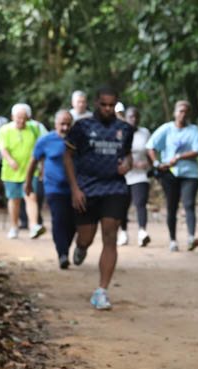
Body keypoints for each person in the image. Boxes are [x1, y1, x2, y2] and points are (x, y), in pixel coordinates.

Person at [63, 86, 133, 310]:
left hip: (114, 188)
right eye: (104, 104)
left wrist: (127, 165)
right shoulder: (82, 127)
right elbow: (67, 156)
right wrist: (74, 188)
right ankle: (81, 246)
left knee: (110, 235)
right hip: (87, 189)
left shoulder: (124, 129)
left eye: (111, 105)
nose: (107, 109)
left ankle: (102, 290)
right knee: (86, 236)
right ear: (96, 103)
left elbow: (128, 156)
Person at [146, 100, 198, 252]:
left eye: (186, 112)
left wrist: (178, 157)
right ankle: (172, 240)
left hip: (189, 174)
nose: (183, 114)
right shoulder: (167, 129)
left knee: (189, 204)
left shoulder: (193, 130)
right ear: (175, 112)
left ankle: (191, 237)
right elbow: (150, 146)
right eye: (180, 111)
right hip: (169, 174)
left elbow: (197, 150)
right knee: (172, 206)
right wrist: (157, 163)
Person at [26, 110, 75, 268]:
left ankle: (65, 247)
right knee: (58, 219)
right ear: (55, 124)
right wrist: (28, 183)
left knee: (72, 222)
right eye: (62, 124)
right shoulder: (45, 140)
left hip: (75, 189)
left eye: (68, 124)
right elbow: (33, 161)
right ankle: (62, 253)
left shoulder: (77, 140)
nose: (65, 127)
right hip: (54, 188)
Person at [0, 103, 45, 239]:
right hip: (11, 172)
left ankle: (33, 226)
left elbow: (40, 148)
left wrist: (41, 166)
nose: (21, 121)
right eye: (18, 117)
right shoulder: (5, 130)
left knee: (31, 197)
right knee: (14, 199)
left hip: (30, 171)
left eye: (24, 118)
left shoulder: (34, 129)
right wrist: (10, 160)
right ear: (12, 117)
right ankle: (14, 226)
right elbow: (2, 148)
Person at [123, 106, 152, 247]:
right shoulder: (119, 132)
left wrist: (150, 163)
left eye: (136, 117)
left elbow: (150, 151)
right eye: (130, 117)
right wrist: (132, 164)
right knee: (122, 205)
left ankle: (142, 231)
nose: (133, 119)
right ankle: (123, 232)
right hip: (124, 174)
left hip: (140, 175)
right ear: (125, 118)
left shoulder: (145, 133)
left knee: (141, 202)